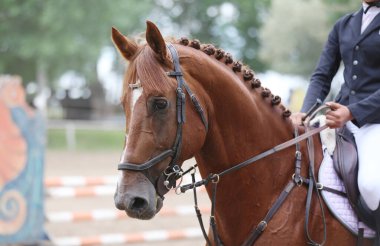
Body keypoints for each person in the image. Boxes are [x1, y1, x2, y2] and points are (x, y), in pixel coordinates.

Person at [290, 0, 380, 242]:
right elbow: (322, 74)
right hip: (337, 118)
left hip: (374, 122)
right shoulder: (345, 24)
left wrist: (352, 112)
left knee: (372, 186)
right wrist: (305, 111)